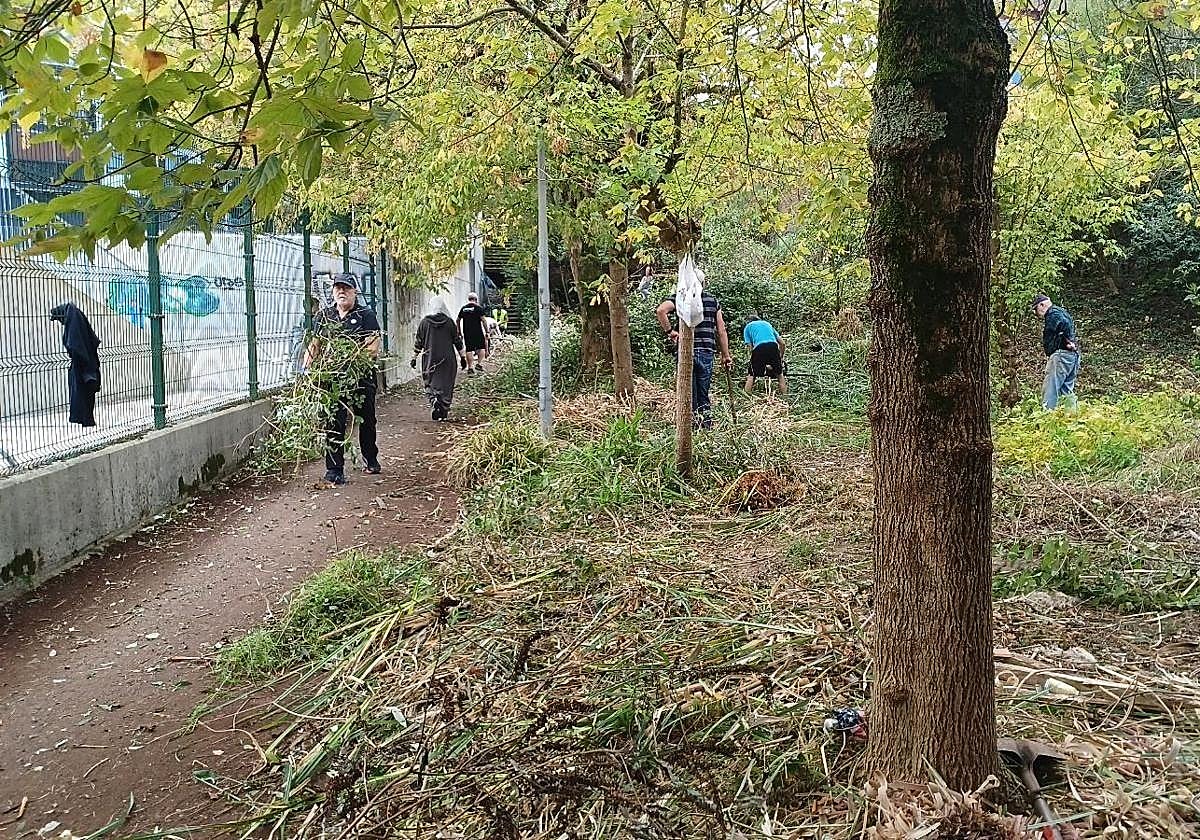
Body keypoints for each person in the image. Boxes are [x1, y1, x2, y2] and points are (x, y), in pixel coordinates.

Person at [304, 273, 382, 486]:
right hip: (333, 379)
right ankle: (334, 469)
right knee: (333, 421)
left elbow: (373, 347)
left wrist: (352, 363)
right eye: (338, 288)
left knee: (366, 419)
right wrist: (306, 370)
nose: (341, 292)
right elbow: (315, 345)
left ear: (354, 291)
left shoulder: (366, 315)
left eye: (346, 288)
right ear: (332, 292)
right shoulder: (324, 316)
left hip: (360, 377)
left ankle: (370, 458)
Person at [656, 280, 733, 429]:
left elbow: (661, 311)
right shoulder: (712, 301)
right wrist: (726, 355)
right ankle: (706, 426)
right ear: (703, 284)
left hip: (686, 352)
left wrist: (670, 332)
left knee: (688, 393)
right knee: (703, 392)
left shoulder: (681, 298)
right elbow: (721, 330)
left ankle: (691, 427)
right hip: (706, 351)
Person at [50, 302, 102, 427]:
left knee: (81, 393)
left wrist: (78, 359)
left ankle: (85, 419)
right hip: (84, 363)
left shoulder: (74, 321)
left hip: (82, 364)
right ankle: (84, 419)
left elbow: (75, 345)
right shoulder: (74, 318)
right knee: (81, 394)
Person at [413, 299, 463, 421]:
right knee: (447, 382)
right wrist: (462, 357)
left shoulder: (424, 323)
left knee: (429, 380)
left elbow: (419, 342)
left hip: (430, 357)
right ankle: (444, 407)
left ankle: (434, 399)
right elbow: (457, 341)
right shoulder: (450, 322)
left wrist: (414, 357)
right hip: (448, 359)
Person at [1032, 294, 1080, 411]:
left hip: (1061, 355)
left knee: (1051, 388)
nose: (1036, 314)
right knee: (1066, 389)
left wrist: (1064, 339)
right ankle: (1071, 417)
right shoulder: (1061, 311)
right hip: (1072, 355)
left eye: (1036, 309)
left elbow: (1062, 324)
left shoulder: (1053, 314)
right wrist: (1070, 341)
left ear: (1042, 305)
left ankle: (1046, 417)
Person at [742, 310, 787, 396]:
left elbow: (750, 347)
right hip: (773, 346)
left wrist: (754, 361)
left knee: (752, 375)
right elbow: (782, 343)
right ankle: (785, 398)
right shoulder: (767, 324)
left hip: (758, 348)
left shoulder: (747, 327)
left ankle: (746, 397)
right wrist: (780, 358)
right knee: (780, 375)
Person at [457, 292, 489, 373]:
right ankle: (479, 364)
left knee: (469, 349)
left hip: (467, 332)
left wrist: (459, 331)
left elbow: (457, 320)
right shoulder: (478, 308)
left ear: (469, 299)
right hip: (477, 332)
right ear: (476, 299)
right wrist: (487, 331)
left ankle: (470, 368)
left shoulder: (463, 308)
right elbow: (484, 320)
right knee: (481, 348)